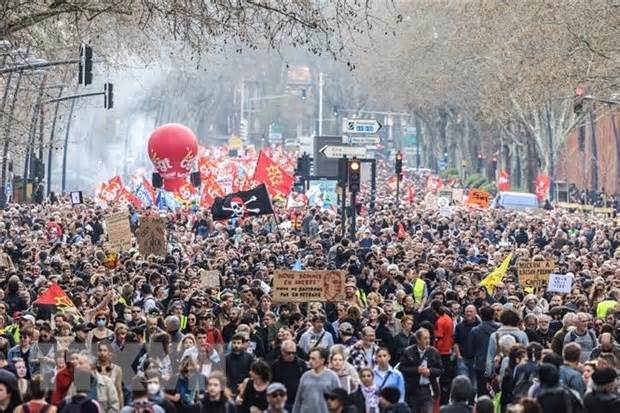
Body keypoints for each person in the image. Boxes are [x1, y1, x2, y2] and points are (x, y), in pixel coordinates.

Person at [399, 328, 443, 413]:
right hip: (412, 391)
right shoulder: (408, 352)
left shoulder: (434, 352)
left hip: (428, 390)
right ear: (418, 340)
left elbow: (440, 370)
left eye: (429, 338)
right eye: (425, 338)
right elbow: (402, 369)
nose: (428, 341)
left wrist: (430, 371)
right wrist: (416, 370)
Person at [292, 348, 340, 413]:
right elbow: (298, 400)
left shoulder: (332, 377)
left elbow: (339, 401)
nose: (310, 361)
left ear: (322, 360)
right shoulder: (305, 376)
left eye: (313, 359)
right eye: (310, 358)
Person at [270, 340, 307, 411]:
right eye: (288, 353)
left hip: (297, 401)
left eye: (293, 353)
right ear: (282, 352)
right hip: (281, 401)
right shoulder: (275, 365)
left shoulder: (301, 364)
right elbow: (272, 382)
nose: (291, 355)